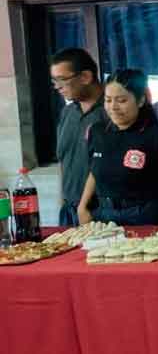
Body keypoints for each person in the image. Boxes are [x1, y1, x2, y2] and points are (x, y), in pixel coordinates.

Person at [77, 69, 158, 226]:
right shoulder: (97, 131)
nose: (113, 107)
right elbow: (94, 172)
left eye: (122, 101)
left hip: (143, 213)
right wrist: (82, 207)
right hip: (103, 213)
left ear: (140, 101)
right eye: (108, 100)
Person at [51, 47, 108, 226]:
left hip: (102, 210)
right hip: (69, 210)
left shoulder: (111, 111)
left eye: (62, 80)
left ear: (85, 77)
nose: (57, 87)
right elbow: (63, 159)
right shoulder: (68, 112)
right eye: (54, 81)